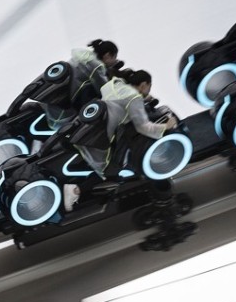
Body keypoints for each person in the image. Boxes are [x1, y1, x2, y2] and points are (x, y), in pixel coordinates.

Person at [63, 70, 178, 212]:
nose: (149, 90)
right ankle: (75, 190)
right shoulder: (133, 97)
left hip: (91, 129)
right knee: (115, 172)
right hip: (106, 142)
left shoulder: (114, 84)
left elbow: (120, 103)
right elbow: (144, 128)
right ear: (143, 85)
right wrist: (166, 126)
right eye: (149, 86)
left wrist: (142, 100)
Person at [67, 39, 121, 110]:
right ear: (107, 55)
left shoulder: (83, 55)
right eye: (114, 57)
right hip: (73, 98)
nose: (115, 61)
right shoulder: (97, 66)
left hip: (66, 91)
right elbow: (104, 89)